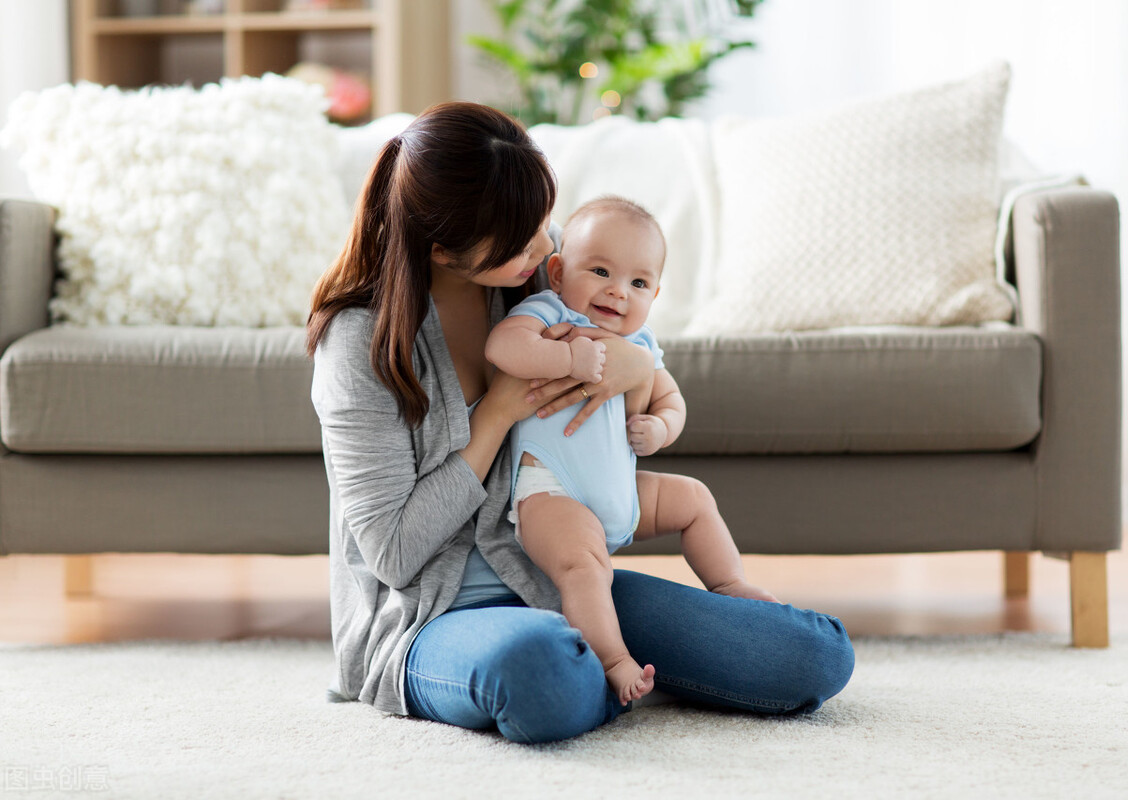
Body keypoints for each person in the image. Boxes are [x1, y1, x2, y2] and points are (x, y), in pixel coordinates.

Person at [306, 101, 855, 745]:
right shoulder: (360, 343)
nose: (547, 245)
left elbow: (632, 340)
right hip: (432, 617)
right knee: (540, 671)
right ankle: (595, 667)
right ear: (443, 250)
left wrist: (626, 366)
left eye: (544, 220)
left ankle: (598, 663)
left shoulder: (540, 274)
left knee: (812, 657)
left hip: (564, 583)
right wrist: (501, 412)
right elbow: (394, 554)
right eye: (522, 237)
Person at [485, 196, 779, 706]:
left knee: (694, 499)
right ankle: (614, 658)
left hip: (621, 492)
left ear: (655, 293)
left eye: (638, 283)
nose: (617, 292)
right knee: (584, 567)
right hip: (552, 491)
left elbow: (672, 400)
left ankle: (729, 585)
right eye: (599, 271)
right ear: (557, 272)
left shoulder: (642, 343)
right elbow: (501, 348)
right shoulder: (549, 312)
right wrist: (566, 355)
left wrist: (660, 428)